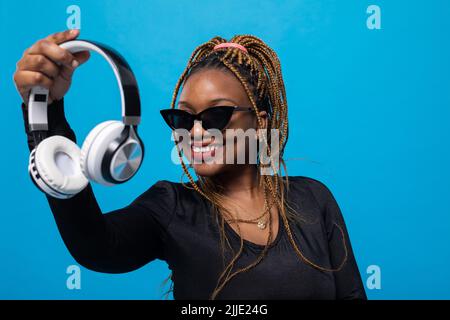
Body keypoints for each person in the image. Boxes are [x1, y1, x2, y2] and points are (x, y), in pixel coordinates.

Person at [14, 29, 367, 300]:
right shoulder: (171, 207)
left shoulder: (313, 199)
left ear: (260, 122)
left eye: (216, 114)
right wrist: (46, 115)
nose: (195, 132)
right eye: (182, 119)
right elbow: (94, 246)